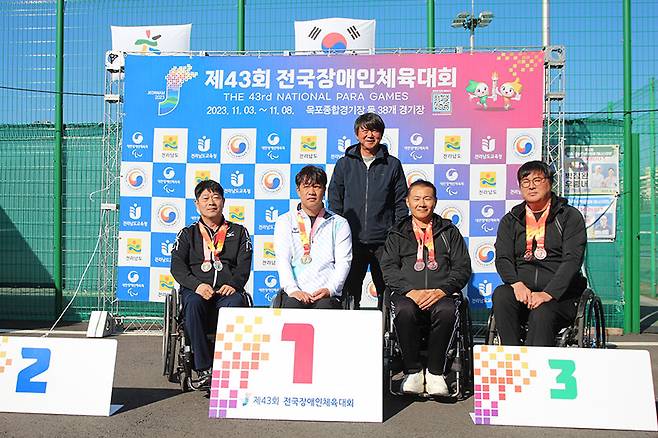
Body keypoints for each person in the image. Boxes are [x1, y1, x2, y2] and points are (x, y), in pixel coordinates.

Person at [380, 180, 471, 396]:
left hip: (441, 294)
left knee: (447, 310)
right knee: (403, 309)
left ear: (435, 202)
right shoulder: (397, 232)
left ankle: (435, 373)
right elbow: (389, 268)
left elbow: (462, 267)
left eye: (427, 198)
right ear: (407, 202)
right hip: (407, 295)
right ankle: (412, 371)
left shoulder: (449, 231)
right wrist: (410, 292)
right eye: (417, 198)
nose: (422, 203)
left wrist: (441, 291)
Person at [492, 160, 587, 346]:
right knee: (502, 295)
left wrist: (548, 294)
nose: (531, 186)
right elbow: (503, 257)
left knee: (542, 311)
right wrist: (516, 284)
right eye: (525, 182)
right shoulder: (511, 220)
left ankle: (535, 362)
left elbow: (572, 260)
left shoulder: (569, 216)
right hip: (523, 292)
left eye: (537, 180)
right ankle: (512, 355)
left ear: (550, 183)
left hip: (560, 296)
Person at [170, 179, 253, 386]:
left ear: (223, 202)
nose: (211, 202)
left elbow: (244, 265)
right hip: (196, 290)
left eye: (216, 197)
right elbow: (177, 266)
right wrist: (197, 285)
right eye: (205, 198)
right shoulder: (187, 234)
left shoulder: (239, 232)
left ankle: (230, 365)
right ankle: (205, 367)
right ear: (197, 204)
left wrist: (234, 284)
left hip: (227, 291)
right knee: (193, 303)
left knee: (236, 303)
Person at [328, 113, 408, 309]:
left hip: (384, 242)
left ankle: (385, 327)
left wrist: (395, 234)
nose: (370, 135)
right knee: (350, 292)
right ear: (357, 133)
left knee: (387, 291)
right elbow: (335, 200)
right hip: (351, 240)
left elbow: (400, 203)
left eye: (375, 130)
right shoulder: (344, 163)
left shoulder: (393, 164)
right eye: (365, 130)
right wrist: (340, 232)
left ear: (381, 134)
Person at [274, 165, 352, 309]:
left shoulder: (339, 223)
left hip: (326, 294)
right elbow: (282, 259)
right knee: (291, 308)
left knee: (325, 309)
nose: (311, 192)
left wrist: (330, 289)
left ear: (324, 190)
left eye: (316, 186)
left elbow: (344, 262)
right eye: (306, 186)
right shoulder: (285, 221)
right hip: (295, 293)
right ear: (298, 190)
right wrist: (293, 290)